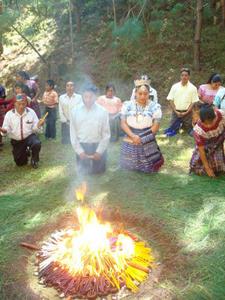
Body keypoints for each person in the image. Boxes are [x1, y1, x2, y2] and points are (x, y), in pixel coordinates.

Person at [120, 77, 164, 173]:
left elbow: (155, 126)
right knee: (128, 165)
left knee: (149, 166)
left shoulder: (155, 107)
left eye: (145, 94)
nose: (143, 96)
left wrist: (142, 138)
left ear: (149, 94)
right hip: (130, 134)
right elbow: (123, 123)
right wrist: (133, 136)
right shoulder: (127, 105)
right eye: (140, 93)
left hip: (148, 135)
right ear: (135, 93)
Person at [70, 84, 110, 175]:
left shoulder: (102, 112)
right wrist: (80, 151)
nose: (88, 100)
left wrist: (99, 152)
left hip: (98, 145)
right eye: (85, 97)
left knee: (99, 172)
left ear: (95, 96)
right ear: (82, 96)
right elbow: (73, 134)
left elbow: (106, 135)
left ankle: (99, 166)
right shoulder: (75, 111)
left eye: (91, 96)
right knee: (83, 172)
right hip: (82, 146)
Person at [0, 94, 45, 168]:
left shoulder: (31, 112)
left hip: (29, 137)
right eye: (19, 104)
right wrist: (4, 131)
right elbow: (6, 130)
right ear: (14, 104)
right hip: (17, 140)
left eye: (23, 104)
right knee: (20, 163)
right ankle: (26, 151)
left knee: (36, 143)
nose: (21, 106)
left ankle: (34, 159)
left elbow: (35, 129)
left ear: (26, 103)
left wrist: (38, 125)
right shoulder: (9, 114)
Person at [190, 104, 225, 177]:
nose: (209, 126)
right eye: (206, 123)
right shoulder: (198, 130)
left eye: (211, 122)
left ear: (215, 117)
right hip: (205, 144)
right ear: (201, 120)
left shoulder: (222, 115)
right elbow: (201, 150)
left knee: (219, 167)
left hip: (219, 140)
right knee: (197, 164)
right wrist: (207, 168)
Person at [165, 68, 199, 136]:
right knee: (172, 130)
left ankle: (184, 126)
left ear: (189, 76)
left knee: (190, 131)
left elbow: (193, 102)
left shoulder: (193, 88)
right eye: (182, 75)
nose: (184, 77)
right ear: (180, 76)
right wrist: (175, 111)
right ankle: (179, 126)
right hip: (176, 112)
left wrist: (186, 112)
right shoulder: (175, 86)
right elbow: (170, 99)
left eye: (186, 75)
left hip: (187, 113)